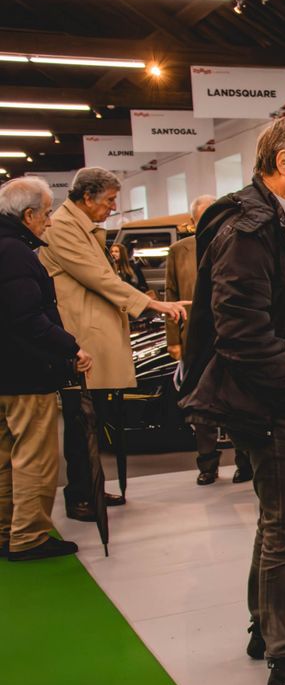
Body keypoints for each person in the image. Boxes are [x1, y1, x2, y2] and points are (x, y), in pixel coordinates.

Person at [178, 116, 285, 685]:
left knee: (276, 520)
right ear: (282, 162)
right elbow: (240, 330)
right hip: (272, 401)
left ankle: (267, 627)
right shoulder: (248, 230)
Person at [39, 167, 188, 522]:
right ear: (86, 197)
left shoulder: (81, 227)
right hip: (82, 339)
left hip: (92, 335)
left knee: (91, 421)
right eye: (108, 200)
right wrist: (153, 304)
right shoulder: (63, 228)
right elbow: (100, 278)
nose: (112, 207)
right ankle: (81, 494)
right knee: (82, 422)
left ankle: (90, 486)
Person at [0, 177, 91, 562]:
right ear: (28, 215)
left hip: (6, 376)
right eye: (47, 213)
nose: (50, 222)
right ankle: (29, 537)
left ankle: (6, 531)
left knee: (5, 458)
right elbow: (27, 317)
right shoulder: (16, 253)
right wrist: (70, 346)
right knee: (34, 457)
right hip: (25, 373)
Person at [164, 195, 253, 487]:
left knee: (238, 402)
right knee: (200, 405)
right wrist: (174, 340)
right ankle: (207, 464)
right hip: (196, 338)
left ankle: (244, 462)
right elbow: (171, 293)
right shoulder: (179, 251)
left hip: (232, 336)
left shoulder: (238, 243)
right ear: (192, 222)